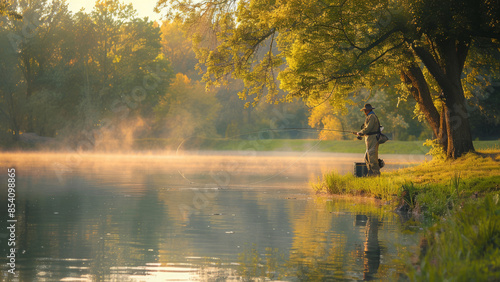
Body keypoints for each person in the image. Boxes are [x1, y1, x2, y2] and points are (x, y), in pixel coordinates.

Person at [354, 104, 381, 176]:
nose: (364, 112)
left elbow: (369, 128)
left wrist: (360, 132)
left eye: (364, 111)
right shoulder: (370, 116)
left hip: (373, 139)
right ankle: (370, 173)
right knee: (367, 157)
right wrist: (360, 134)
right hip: (369, 139)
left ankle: (376, 174)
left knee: (372, 156)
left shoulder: (372, 117)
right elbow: (367, 129)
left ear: (367, 110)